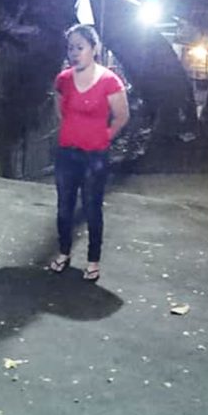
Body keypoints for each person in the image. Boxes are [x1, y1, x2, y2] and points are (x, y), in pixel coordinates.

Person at [48, 24, 130, 282]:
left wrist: (102, 137)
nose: (74, 53)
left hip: (95, 157)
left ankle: (93, 261)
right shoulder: (63, 79)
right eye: (71, 48)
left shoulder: (109, 81)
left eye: (80, 47)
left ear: (94, 49)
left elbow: (122, 117)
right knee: (64, 207)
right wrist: (73, 131)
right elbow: (59, 110)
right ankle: (63, 252)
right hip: (66, 154)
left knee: (93, 208)